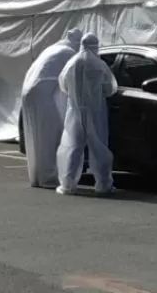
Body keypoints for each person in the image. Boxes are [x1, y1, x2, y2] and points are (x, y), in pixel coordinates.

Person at [56, 33, 118, 196]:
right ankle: (103, 184)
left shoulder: (72, 63)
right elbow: (109, 88)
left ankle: (68, 184)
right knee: (99, 147)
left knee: (73, 147)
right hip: (96, 112)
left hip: (75, 112)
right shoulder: (99, 65)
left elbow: (63, 84)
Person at [21, 28, 83, 188]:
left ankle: (37, 176)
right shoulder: (68, 53)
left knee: (36, 137)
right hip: (43, 94)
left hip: (30, 92)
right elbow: (72, 80)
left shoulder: (54, 48)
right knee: (49, 136)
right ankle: (47, 177)